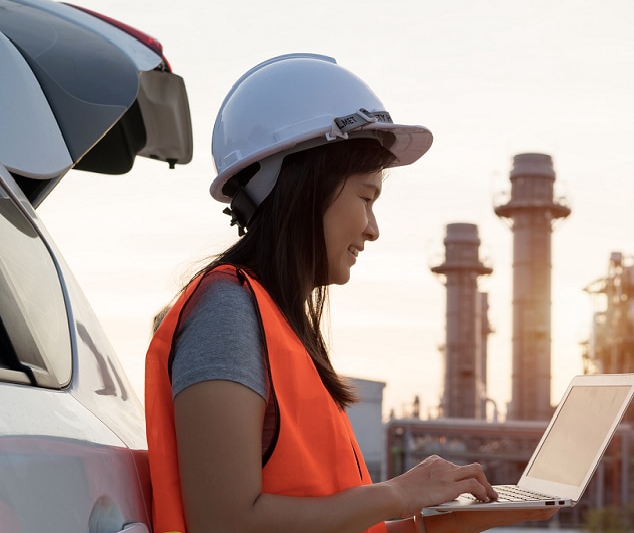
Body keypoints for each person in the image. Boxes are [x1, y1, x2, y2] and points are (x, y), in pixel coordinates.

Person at [144, 54, 557, 533]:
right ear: (305, 187)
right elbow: (225, 522)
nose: (373, 229)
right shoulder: (227, 313)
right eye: (366, 198)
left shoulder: (280, 326)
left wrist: (442, 522)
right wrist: (398, 494)